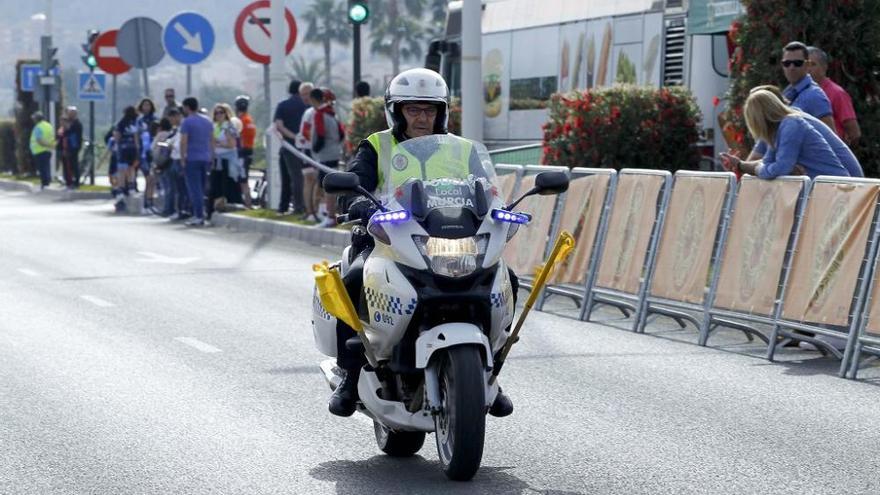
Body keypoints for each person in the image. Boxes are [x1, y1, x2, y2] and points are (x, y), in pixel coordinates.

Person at [327, 68, 515, 418]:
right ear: (396, 112)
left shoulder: (461, 149)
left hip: (454, 239)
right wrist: (359, 203)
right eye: (413, 109)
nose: (421, 117)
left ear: (442, 112)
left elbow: (488, 190)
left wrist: (500, 209)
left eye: (429, 110)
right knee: (349, 281)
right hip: (388, 239)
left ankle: (489, 373)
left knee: (508, 279)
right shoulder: (376, 145)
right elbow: (354, 186)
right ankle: (349, 377)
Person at [720, 89, 849, 179]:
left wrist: (761, 170)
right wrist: (740, 164)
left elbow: (780, 168)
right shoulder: (779, 129)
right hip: (826, 189)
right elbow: (768, 162)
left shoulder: (791, 124)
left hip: (836, 188)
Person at [807, 46, 861, 145]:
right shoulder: (797, 92)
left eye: (812, 64)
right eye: (805, 65)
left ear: (824, 67)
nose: (808, 69)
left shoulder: (837, 93)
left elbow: (854, 132)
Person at [273, 80, 309, 215]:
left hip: (287, 147)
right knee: (299, 177)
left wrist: (292, 137)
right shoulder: (306, 106)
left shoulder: (283, 105)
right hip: (304, 147)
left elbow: (278, 126)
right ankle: (300, 206)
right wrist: (299, 138)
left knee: (288, 178)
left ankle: (284, 206)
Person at [310, 87, 344, 228]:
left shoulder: (319, 114)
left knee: (327, 187)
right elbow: (342, 133)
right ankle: (330, 214)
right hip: (335, 152)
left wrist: (316, 148)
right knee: (332, 186)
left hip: (325, 155)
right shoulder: (333, 114)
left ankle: (329, 216)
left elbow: (321, 134)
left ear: (313, 99)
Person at [179, 97, 214, 226]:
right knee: (202, 187)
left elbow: (184, 141)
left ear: (187, 107)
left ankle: (198, 215)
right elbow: (212, 140)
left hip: (192, 158)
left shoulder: (187, 122)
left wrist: (183, 158)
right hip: (206, 158)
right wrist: (212, 156)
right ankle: (201, 212)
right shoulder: (207, 121)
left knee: (195, 189)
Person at [206, 103, 241, 221]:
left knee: (229, 185)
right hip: (217, 159)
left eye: (221, 112)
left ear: (226, 114)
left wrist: (219, 144)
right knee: (215, 187)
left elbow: (231, 144)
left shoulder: (229, 126)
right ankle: (210, 212)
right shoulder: (215, 126)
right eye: (216, 113)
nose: (218, 115)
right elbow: (212, 142)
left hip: (228, 159)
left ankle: (234, 208)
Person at [112, 106, 141, 210]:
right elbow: (136, 138)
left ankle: (120, 191)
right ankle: (131, 187)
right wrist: (138, 150)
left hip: (123, 149)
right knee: (131, 168)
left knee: (121, 170)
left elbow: (117, 137)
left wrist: (116, 144)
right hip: (132, 149)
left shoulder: (120, 123)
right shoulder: (135, 123)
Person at [235, 95, 256, 208]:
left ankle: (248, 204)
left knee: (243, 180)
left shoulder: (241, 121)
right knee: (243, 179)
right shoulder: (249, 120)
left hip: (242, 153)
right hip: (248, 151)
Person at [29, 111, 55, 190]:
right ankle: (47, 181)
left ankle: (45, 183)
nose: (33, 120)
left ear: (36, 119)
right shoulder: (49, 125)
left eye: (34, 118)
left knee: (42, 168)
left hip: (40, 150)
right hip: (48, 150)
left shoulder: (38, 127)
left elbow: (39, 140)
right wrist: (50, 146)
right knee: (46, 166)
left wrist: (45, 145)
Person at [64, 107, 83, 189]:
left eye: (70, 113)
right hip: (69, 145)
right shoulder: (70, 122)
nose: (68, 115)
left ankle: (76, 182)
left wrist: (67, 127)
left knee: (74, 164)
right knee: (70, 164)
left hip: (74, 146)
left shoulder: (76, 123)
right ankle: (70, 181)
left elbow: (70, 131)